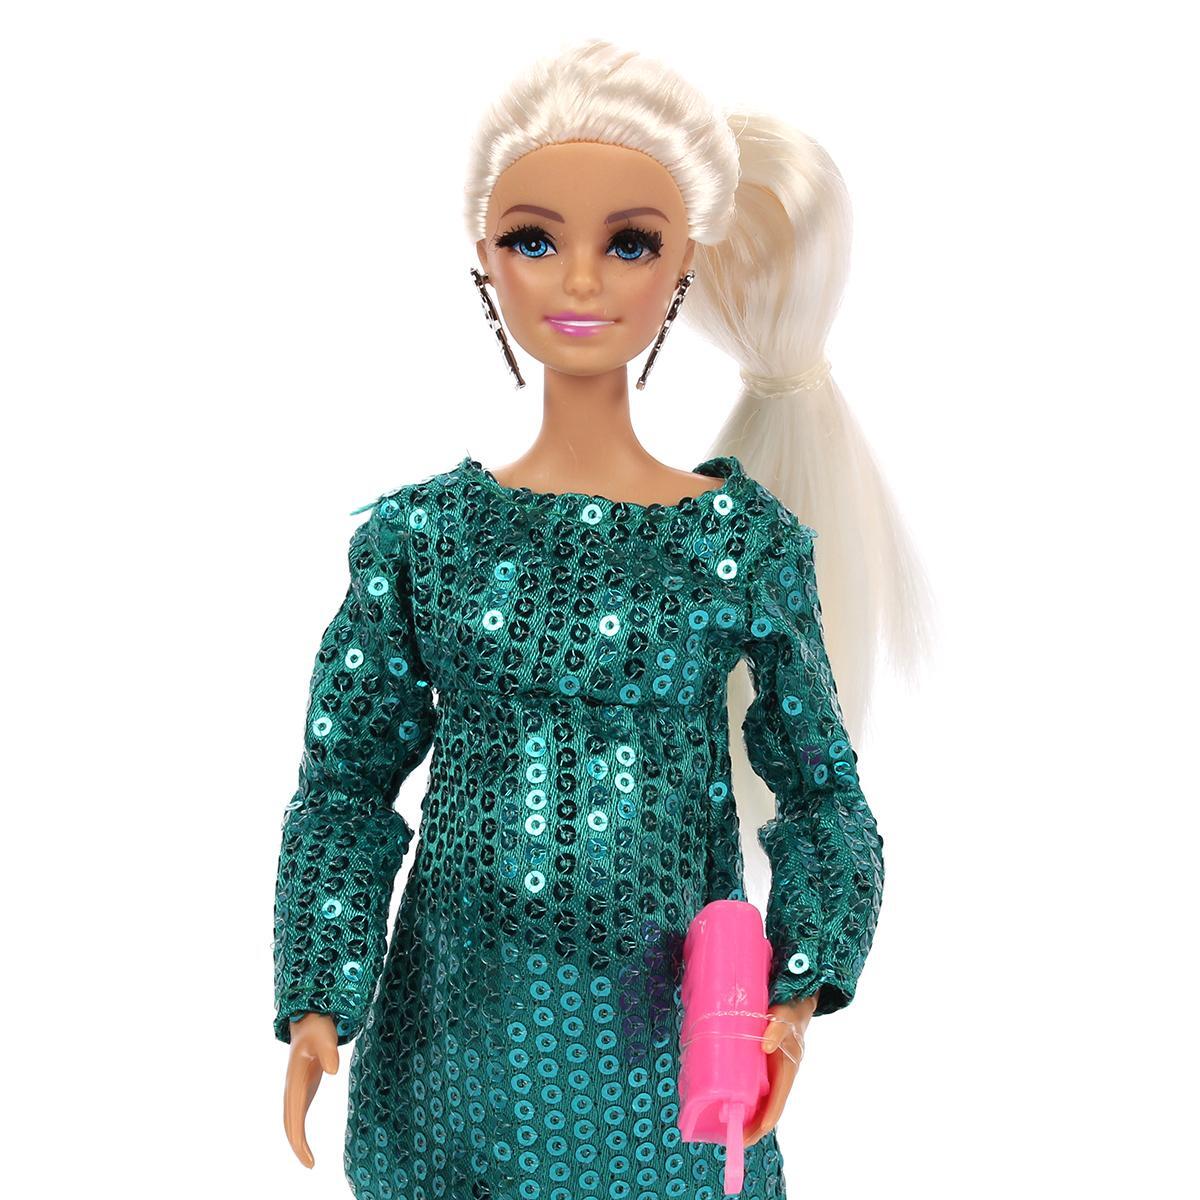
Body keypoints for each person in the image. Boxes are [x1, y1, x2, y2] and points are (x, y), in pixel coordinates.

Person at [272, 37, 933, 1199]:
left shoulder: (737, 544)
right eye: (535, 240)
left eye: (628, 244)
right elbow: (347, 785)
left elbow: (822, 792)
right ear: (485, 260)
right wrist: (323, 992)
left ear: (682, 267)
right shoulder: (424, 539)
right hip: (451, 1056)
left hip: (667, 1063)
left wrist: (793, 996)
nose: (580, 280)